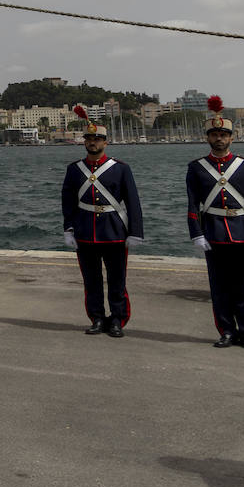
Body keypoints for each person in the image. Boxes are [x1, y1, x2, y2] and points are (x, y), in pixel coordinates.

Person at [186, 97, 244, 351]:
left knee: (243, 288)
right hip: (213, 234)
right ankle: (226, 331)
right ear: (207, 138)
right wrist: (196, 233)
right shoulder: (196, 168)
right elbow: (192, 204)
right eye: (214, 134)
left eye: (224, 134)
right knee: (219, 287)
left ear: (232, 138)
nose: (219, 138)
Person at [61, 108, 144, 337]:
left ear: (105, 142)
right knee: (91, 281)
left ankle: (118, 319)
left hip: (115, 230)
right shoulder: (74, 170)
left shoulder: (121, 169)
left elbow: (133, 201)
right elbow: (68, 201)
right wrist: (68, 227)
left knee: (117, 280)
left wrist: (135, 231)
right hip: (85, 231)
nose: (92, 143)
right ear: (84, 142)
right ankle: (97, 318)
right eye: (89, 139)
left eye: (97, 139)